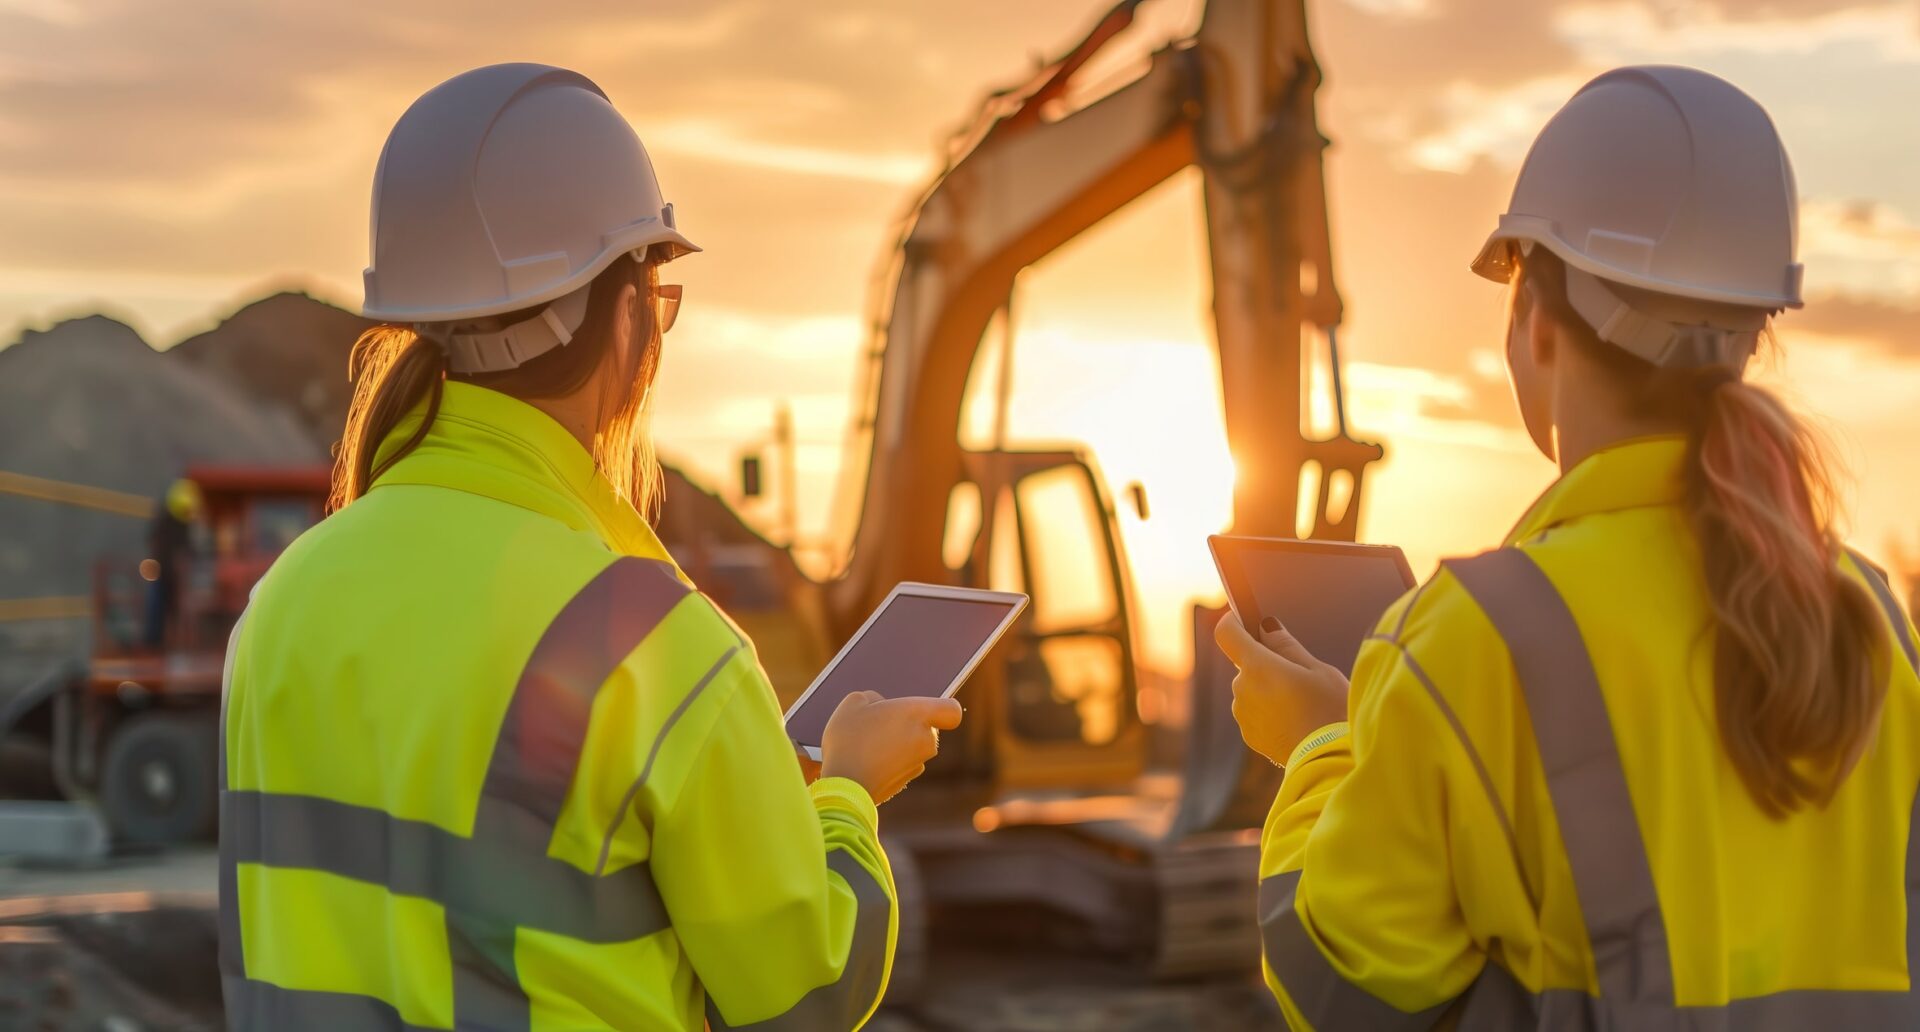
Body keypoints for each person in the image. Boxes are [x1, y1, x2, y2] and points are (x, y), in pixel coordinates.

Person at [219, 64, 960, 1031]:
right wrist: (850, 794)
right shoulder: (652, 645)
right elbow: (807, 993)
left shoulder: (283, 603)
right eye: (657, 296)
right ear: (625, 317)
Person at [1217, 66, 1919, 1027]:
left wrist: (1320, 749)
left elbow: (1340, 986)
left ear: (1534, 323)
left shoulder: (1476, 639)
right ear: (1756, 332)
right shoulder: (1869, 613)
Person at [143, 476, 200, 650]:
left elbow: (187, 546)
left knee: (169, 607)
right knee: (157, 606)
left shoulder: (180, 522)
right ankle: (153, 643)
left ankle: (166, 642)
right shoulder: (165, 521)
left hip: (172, 574)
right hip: (162, 572)